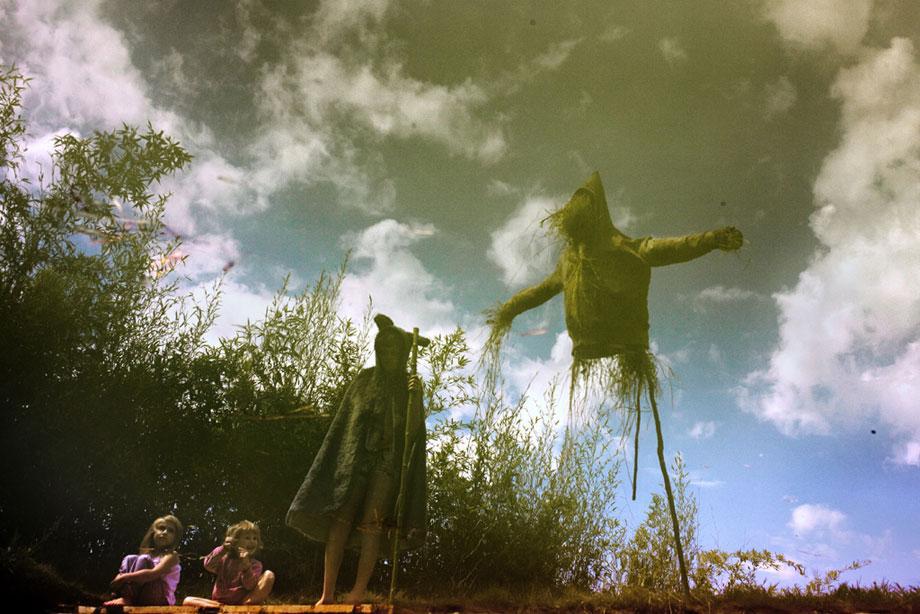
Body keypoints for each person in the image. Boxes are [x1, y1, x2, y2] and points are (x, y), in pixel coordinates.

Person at [287, 314, 428, 605]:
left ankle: (357, 591)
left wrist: (416, 397)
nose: (389, 354)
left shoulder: (409, 385)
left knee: (372, 525)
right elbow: (348, 423)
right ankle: (326, 593)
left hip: (386, 464)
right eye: (385, 349)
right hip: (354, 460)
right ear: (379, 350)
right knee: (340, 521)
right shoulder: (364, 380)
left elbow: (412, 432)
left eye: (395, 350)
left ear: (402, 353)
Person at [182, 520, 275, 607]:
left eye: (255, 538)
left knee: (269, 575)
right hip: (218, 602)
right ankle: (220, 609)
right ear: (235, 541)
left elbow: (249, 585)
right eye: (247, 538)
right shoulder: (224, 558)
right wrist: (223, 549)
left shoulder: (255, 564)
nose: (252, 541)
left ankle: (245, 606)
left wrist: (246, 567)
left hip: (243, 602)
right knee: (187, 601)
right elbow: (208, 565)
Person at [105, 514, 183, 606]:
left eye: (170, 531)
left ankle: (127, 599)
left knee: (143, 559)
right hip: (141, 594)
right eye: (162, 528)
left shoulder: (172, 556)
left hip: (159, 599)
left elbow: (153, 574)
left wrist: (124, 577)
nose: (165, 532)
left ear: (175, 538)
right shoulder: (148, 554)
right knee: (130, 558)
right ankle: (125, 597)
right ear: (153, 532)